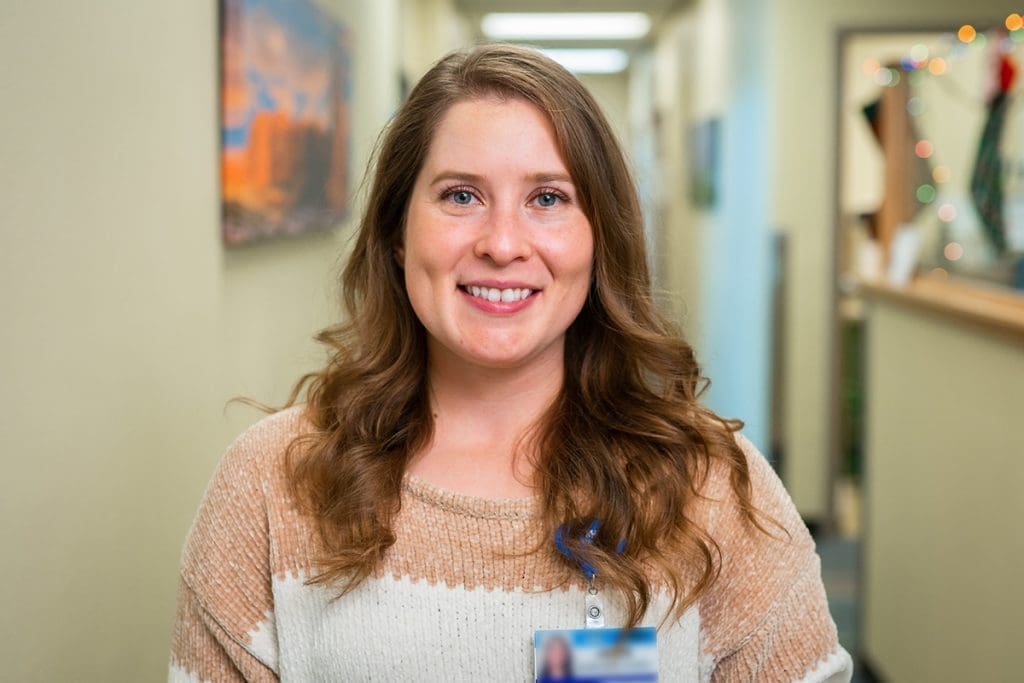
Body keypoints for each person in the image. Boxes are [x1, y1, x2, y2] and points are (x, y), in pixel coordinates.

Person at [169, 44, 853, 681]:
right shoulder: (270, 483)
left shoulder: (709, 485)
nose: (502, 243)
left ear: (600, 239)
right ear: (397, 233)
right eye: (460, 195)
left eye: (547, 198)